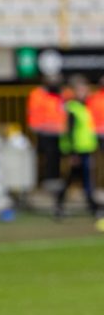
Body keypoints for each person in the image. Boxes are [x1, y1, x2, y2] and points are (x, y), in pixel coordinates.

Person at [54, 75, 100, 218]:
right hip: (77, 151)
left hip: (85, 149)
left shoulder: (84, 106)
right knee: (81, 179)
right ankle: (93, 207)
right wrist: (73, 154)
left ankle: (62, 206)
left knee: (75, 179)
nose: (84, 91)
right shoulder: (73, 108)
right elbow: (70, 132)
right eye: (80, 89)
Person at [26, 74, 66, 188]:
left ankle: (55, 179)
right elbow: (34, 112)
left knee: (56, 157)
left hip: (58, 132)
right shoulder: (38, 95)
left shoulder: (60, 94)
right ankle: (45, 180)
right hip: (43, 131)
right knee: (45, 157)